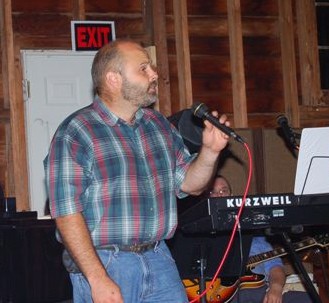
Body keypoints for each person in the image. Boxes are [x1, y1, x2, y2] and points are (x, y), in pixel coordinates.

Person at [44, 39, 230, 303]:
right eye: (143, 68)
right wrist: (98, 279)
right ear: (113, 79)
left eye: (151, 67)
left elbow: (191, 184)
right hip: (107, 261)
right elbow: (66, 213)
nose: (154, 74)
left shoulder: (159, 125)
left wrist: (210, 152)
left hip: (159, 258)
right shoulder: (77, 132)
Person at [208, 175, 313, 303]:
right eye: (213, 192)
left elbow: (275, 267)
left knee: (307, 299)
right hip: (221, 296)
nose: (219, 195)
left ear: (231, 196)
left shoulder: (253, 234)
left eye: (223, 191)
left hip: (259, 294)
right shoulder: (200, 235)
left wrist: (275, 288)